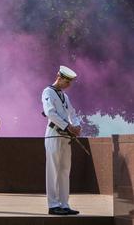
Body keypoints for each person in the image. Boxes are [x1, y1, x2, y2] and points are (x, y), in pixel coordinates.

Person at [43, 65, 81, 215]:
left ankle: (64, 204)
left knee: (65, 170)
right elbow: (50, 113)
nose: (69, 85)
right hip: (54, 134)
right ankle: (53, 205)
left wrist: (77, 126)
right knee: (53, 170)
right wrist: (68, 126)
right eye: (67, 82)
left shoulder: (65, 96)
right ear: (59, 77)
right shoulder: (48, 92)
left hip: (66, 136)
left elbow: (72, 112)